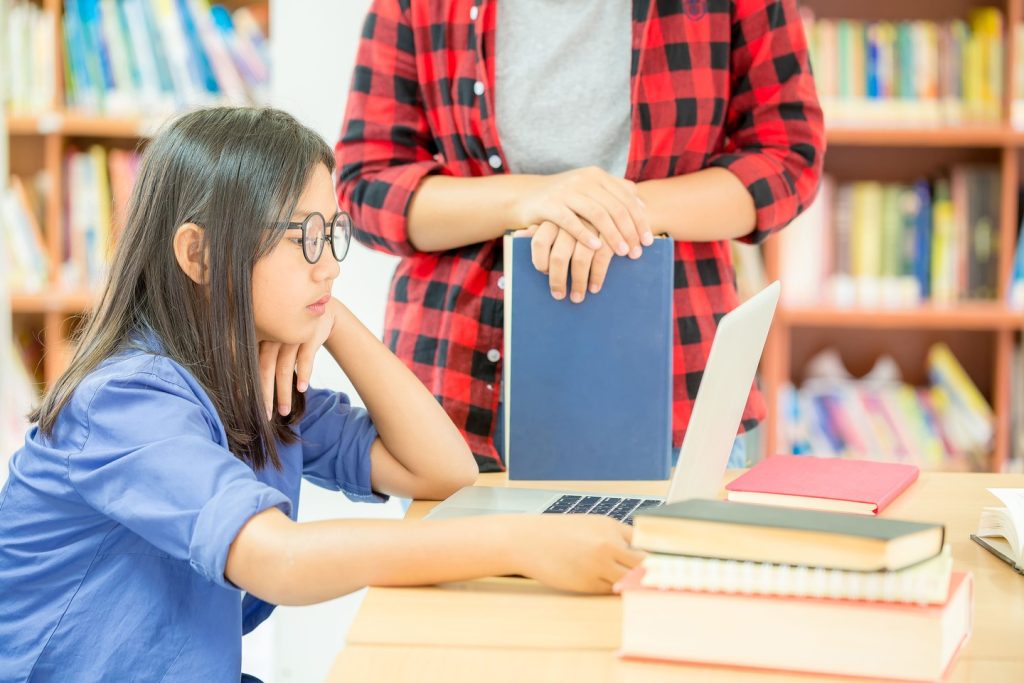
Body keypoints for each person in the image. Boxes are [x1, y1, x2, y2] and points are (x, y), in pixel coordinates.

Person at [0, 107, 644, 682]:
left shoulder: (260, 381)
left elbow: (443, 472)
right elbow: (276, 558)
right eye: (304, 237)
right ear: (197, 254)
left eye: (332, 234)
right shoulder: (123, 402)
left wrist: (335, 322)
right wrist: (517, 544)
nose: (330, 262)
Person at [337, 0, 825, 472]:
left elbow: (788, 154)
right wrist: (530, 198)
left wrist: (612, 210)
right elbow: (367, 182)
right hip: (457, 395)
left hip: (678, 386)